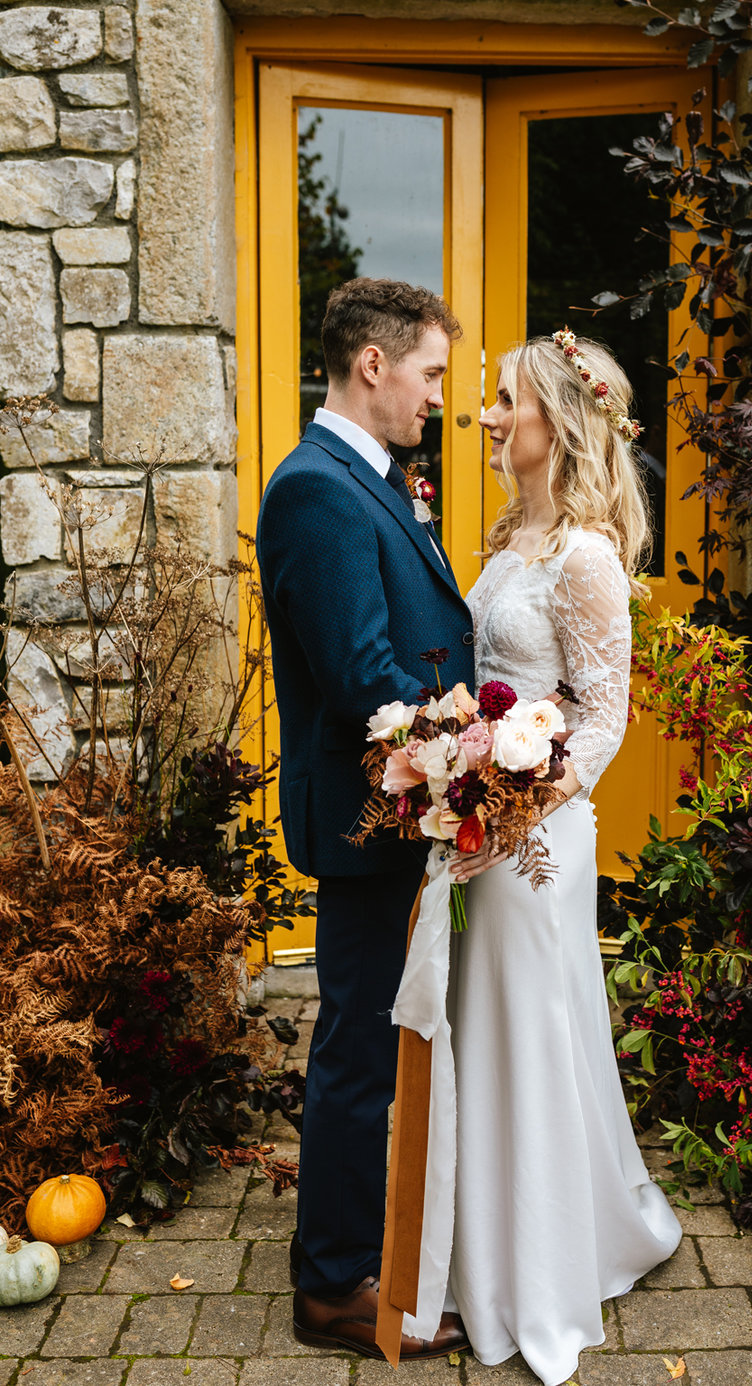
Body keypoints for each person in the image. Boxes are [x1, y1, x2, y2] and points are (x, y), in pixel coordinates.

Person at [446, 332, 683, 1386]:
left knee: (533, 1025)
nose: (491, 418)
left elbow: (602, 720)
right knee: (484, 1024)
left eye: (507, 403)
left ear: (558, 423)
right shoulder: (510, 541)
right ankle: (480, 1239)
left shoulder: (584, 556)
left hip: (536, 840)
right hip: (485, 830)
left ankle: (540, 1267)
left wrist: (514, 804)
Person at [255, 278, 474, 1360]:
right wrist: (471, 752)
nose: (439, 394)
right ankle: (334, 1286)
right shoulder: (317, 491)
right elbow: (361, 679)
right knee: (352, 1052)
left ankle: (346, 1250)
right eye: (430, 372)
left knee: (368, 1043)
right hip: (367, 819)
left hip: (400, 813)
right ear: (374, 365)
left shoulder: (369, 478)